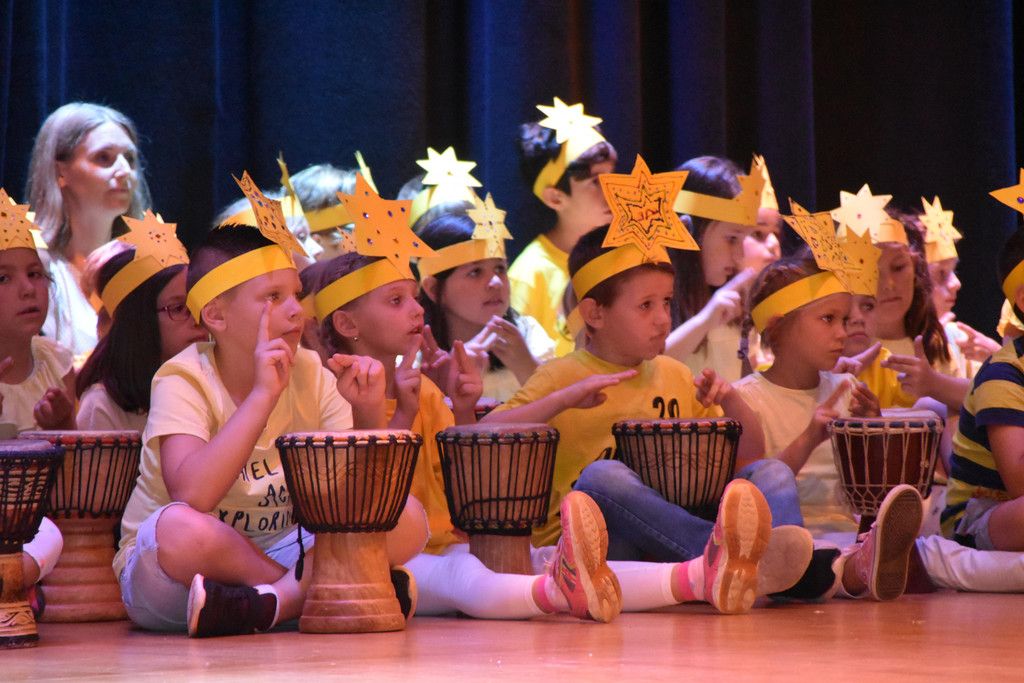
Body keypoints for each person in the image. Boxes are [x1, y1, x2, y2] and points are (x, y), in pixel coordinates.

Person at [484, 158, 812, 615]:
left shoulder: (674, 374)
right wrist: (565, 399)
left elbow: (748, 457)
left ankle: (770, 563)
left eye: (666, 302)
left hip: (674, 529)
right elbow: (485, 432)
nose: (663, 318)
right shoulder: (562, 375)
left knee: (771, 472)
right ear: (595, 314)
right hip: (604, 546)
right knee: (601, 477)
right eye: (645, 306)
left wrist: (731, 400)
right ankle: (735, 559)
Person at [113, 176, 427, 637]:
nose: (297, 311)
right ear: (216, 316)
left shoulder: (311, 371)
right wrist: (263, 395)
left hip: (283, 549)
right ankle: (312, 592)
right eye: (273, 298)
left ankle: (266, 604)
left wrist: (367, 414)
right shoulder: (182, 377)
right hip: (176, 571)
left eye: (296, 294)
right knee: (177, 527)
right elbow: (194, 496)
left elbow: (355, 500)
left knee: (408, 516)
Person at [309, 172, 622, 622]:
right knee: (466, 576)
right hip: (387, 556)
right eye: (396, 301)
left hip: (447, 545)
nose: (416, 310)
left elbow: (458, 485)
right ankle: (556, 592)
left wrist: (460, 409)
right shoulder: (331, 391)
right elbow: (367, 507)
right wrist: (403, 413)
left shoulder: (424, 388)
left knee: (534, 558)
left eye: (413, 297)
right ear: (347, 324)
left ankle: (690, 576)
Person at [734, 216, 924, 601]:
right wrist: (809, 437)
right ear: (777, 328)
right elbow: (752, 492)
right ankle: (840, 573)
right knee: (820, 554)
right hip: (781, 537)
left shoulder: (845, 388)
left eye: (845, 319)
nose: (842, 332)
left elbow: (867, 485)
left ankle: (854, 566)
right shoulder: (747, 398)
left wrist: (871, 430)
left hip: (845, 531)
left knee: (922, 555)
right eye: (828, 319)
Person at [25, 102, 152, 355]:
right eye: (104, 158)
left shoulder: (148, 268)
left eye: (129, 159)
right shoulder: (35, 269)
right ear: (61, 172)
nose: (125, 171)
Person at [75, 213, 207, 431]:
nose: (198, 320)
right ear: (138, 321)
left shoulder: (208, 386)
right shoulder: (102, 406)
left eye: (198, 304)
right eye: (178, 308)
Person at [0, 189, 67, 610]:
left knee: (48, 535)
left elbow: (79, 474)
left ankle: (12, 585)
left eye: (35, 274)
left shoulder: (56, 362)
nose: (28, 289)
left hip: (32, 522)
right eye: (3, 278)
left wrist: (65, 424)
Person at [509, 98, 617, 356]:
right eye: (596, 181)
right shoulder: (529, 275)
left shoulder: (620, 254)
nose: (613, 190)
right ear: (555, 198)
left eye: (612, 176)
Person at [417, 208, 556, 402]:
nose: (496, 282)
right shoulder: (416, 355)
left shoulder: (529, 334)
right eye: (475, 272)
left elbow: (565, 412)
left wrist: (527, 366)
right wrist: (447, 385)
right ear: (433, 289)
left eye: (500, 268)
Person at [663, 156, 768, 381]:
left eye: (744, 240)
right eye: (732, 239)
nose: (739, 256)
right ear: (690, 231)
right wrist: (704, 321)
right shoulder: (653, 299)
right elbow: (644, 370)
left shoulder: (733, 308)